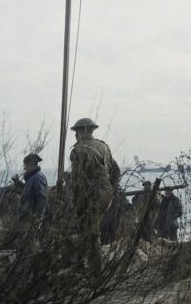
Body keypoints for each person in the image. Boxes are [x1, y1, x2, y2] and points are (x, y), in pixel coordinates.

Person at [70, 117, 120, 275]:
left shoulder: (77, 150)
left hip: (89, 192)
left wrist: (76, 204)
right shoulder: (103, 146)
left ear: (82, 131)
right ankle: (84, 266)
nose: (76, 135)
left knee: (90, 233)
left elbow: (77, 180)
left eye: (77, 132)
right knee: (90, 230)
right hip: (104, 190)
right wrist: (110, 191)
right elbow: (116, 171)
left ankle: (95, 273)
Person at [17, 153, 48, 246]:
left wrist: (37, 218)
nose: (24, 168)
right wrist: (18, 184)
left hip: (32, 219)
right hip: (28, 218)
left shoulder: (38, 178)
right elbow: (30, 194)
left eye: (25, 165)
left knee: (31, 245)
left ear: (31, 164)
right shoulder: (32, 178)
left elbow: (42, 199)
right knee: (27, 245)